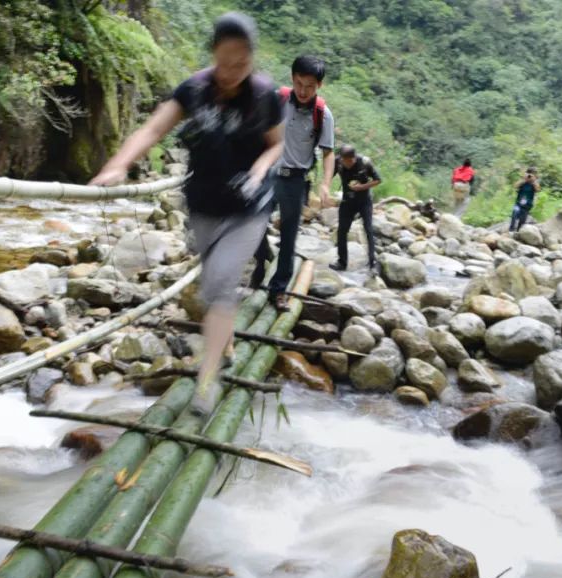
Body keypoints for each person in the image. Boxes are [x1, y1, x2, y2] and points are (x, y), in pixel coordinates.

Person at [89, 12, 284, 415]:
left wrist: (260, 170)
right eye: (226, 62)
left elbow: (278, 145)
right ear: (213, 53)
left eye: (242, 64)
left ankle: (208, 379)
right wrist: (118, 164)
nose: (233, 72)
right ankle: (225, 343)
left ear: (252, 60)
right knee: (215, 285)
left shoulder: (264, 95)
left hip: (249, 207)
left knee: (221, 283)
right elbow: (153, 130)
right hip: (204, 203)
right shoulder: (193, 90)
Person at [253, 54, 336, 310]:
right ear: (293, 79)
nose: (303, 91)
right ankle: (262, 258)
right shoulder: (277, 100)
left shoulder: (323, 115)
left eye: (309, 86)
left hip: (295, 181)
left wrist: (325, 184)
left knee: (288, 237)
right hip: (267, 174)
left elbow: (328, 151)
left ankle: (278, 290)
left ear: (319, 85)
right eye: (299, 84)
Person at [331, 145, 381, 271]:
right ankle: (342, 262)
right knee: (342, 230)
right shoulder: (338, 162)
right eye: (345, 161)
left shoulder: (364, 162)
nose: (348, 163)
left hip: (364, 201)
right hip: (347, 200)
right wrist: (325, 188)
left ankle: (372, 263)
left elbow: (378, 180)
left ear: (354, 158)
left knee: (368, 229)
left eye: (350, 161)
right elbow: (329, 175)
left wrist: (362, 187)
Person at [509, 167, 540, 232]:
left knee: (522, 221)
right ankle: (511, 230)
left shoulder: (535, 183)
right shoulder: (523, 181)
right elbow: (515, 186)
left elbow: (538, 189)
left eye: (532, 174)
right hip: (518, 203)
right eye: (529, 174)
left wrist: (533, 181)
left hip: (527, 205)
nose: (530, 176)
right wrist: (524, 179)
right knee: (514, 214)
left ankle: (518, 233)